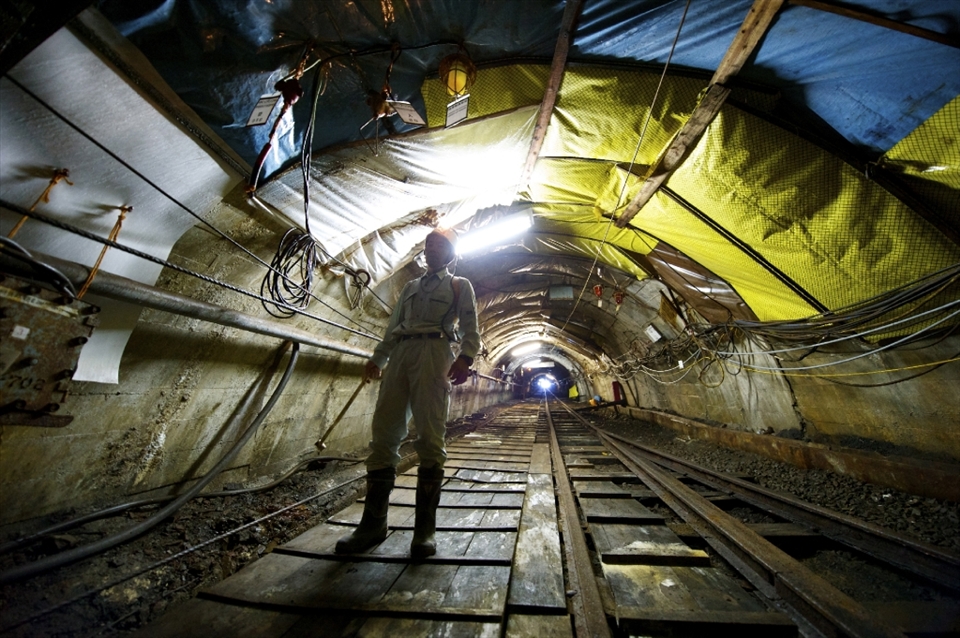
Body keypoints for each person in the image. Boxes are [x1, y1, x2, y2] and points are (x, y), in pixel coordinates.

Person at [336, 227, 480, 558]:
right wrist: (378, 358)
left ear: (451, 252)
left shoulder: (459, 286)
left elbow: (471, 327)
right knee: (384, 433)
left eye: (439, 244)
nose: (431, 249)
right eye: (428, 244)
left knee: (430, 437)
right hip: (401, 353)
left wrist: (466, 357)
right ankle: (373, 524)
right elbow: (393, 327)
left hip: (434, 353)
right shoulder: (411, 287)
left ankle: (424, 532)